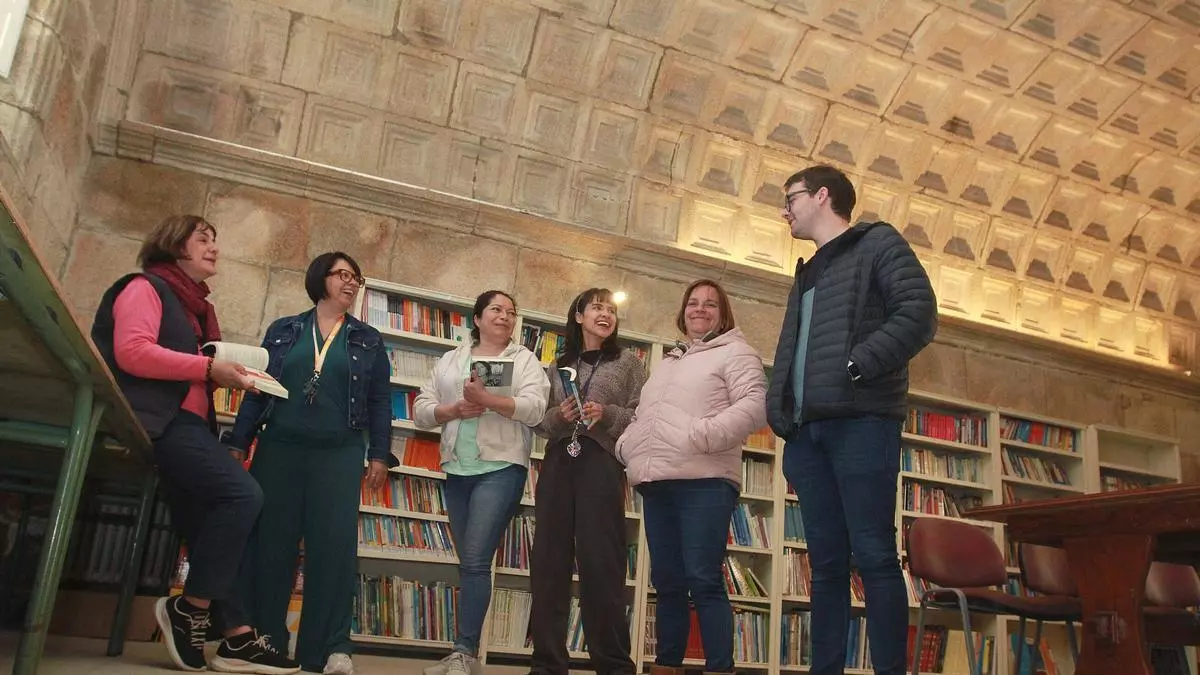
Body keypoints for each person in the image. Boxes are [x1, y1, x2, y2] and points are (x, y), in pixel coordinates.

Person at [90, 214, 300, 674]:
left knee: (214, 529)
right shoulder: (143, 287)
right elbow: (132, 351)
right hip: (161, 423)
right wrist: (208, 370)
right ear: (174, 244)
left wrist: (234, 376)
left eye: (214, 240)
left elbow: (187, 366)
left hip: (191, 425)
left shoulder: (197, 308)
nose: (214, 248)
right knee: (243, 496)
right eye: (203, 239)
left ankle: (236, 637)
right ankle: (190, 609)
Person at [767, 165, 938, 675]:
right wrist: (782, 411)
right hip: (808, 435)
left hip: (862, 422)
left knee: (875, 556)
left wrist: (856, 363)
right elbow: (790, 350)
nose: (784, 210)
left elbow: (919, 311)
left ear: (822, 195)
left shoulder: (878, 242)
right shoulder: (807, 271)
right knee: (825, 567)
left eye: (790, 198)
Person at [224, 252, 392, 675]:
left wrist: (379, 454)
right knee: (270, 545)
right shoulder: (283, 330)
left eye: (356, 277)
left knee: (333, 549)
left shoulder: (368, 340)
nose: (351, 283)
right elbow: (257, 389)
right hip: (279, 448)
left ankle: (329, 648)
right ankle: (266, 639)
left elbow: (378, 403)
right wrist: (239, 441)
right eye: (342, 275)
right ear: (321, 279)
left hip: (338, 454)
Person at [615, 279, 767, 675]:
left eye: (710, 304)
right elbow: (641, 416)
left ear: (724, 313)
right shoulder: (670, 360)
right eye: (693, 303)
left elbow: (755, 405)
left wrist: (705, 434)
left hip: (707, 481)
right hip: (659, 481)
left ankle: (720, 668)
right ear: (683, 311)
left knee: (703, 579)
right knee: (667, 583)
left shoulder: (737, 352)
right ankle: (667, 666)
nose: (700, 309)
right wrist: (626, 445)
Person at [413, 290, 550, 675]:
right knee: (469, 561)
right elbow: (421, 410)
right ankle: (462, 653)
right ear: (477, 318)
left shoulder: (523, 359)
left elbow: (536, 409)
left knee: (475, 559)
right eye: (496, 309)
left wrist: (489, 400)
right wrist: (452, 409)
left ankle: (463, 652)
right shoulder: (451, 360)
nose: (505, 316)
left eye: (511, 311)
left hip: (501, 467)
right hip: (457, 468)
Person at [529, 288, 645, 675]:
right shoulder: (557, 365)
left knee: (602, 563)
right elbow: (541, 424)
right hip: (560, 462)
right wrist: (561, 417)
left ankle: (613, 665)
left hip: (601, 465)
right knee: (548, 563)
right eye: (597, 307)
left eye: (611, 310)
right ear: (578, 315)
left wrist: (608, 412)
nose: (606, 314)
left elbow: (643, 416)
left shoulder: (629, 364)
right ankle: (547, 664)